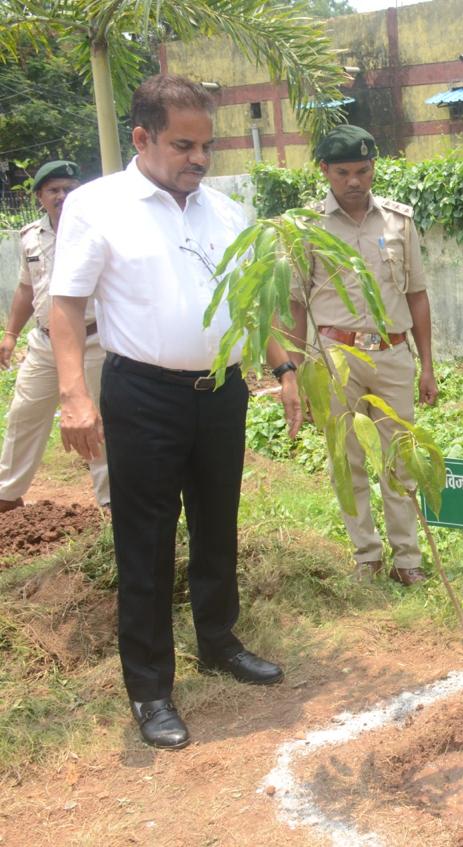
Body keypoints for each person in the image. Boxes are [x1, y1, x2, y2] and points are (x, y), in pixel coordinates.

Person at [49, 74, 282, 751]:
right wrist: (74, 396)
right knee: (146, 542)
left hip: (221, 391)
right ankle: (150, 687)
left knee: (217, 524)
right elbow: (66, 306)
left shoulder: (224, 210)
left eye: (207, 146)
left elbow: (250, 294)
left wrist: (284, 364)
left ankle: (219, 641)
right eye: (185, 145)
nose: (200, 160)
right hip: (143, 395)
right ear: (143, 137)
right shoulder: (99, 206)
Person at [277, 124, 436, 586]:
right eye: (342, 171)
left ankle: (408, 559)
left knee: (400, 459)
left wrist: (427, 366)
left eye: (363, 171)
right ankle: (366, 555)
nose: (353, 181)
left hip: (391, 355)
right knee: (345, 460)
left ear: (373, 169)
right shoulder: (305, 227)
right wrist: (299, 370)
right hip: (334, 358)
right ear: (324, 170)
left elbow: (418, 295)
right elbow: (295, 302)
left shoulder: (398, 222)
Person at [0, 160, 109, 512]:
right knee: (23, 413)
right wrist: (11, 333)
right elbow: (25, 288)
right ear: (40, 198)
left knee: (97, 421)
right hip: (44, 344)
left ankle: (110, 501)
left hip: (92, 342)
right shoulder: (30, 235)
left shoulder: (98, 231)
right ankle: (7, 493)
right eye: (54, 190)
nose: (63, 195)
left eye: (69, 188)